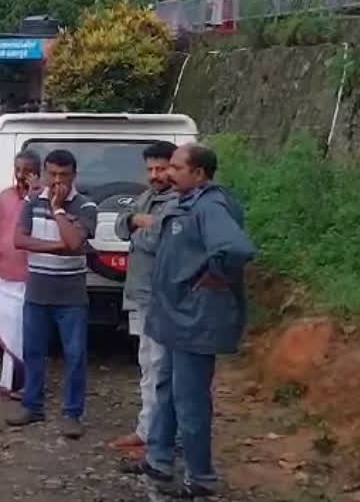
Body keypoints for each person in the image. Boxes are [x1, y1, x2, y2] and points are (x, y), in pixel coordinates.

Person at [126, 144, 256, 498]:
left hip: (195, 321)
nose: (167, 173)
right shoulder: (184, 203)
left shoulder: (212, 205)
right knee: (165, 390)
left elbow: (235, 249)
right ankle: (159, 460)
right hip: (172, 317)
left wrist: (214, 278)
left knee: (190, 400)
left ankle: (200, 479)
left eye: (176, 168)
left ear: (198, 174)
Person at [6, 149, 98, 440]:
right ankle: (33, 405)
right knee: (33, 351)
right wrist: (58, 247)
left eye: (64, 175)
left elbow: (74, 240)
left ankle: (73, 414)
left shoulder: (86, 206)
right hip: (38, 290)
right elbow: (19, 240)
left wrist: (58, 210)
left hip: (71, 295)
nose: (57, 181)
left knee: (75, 355)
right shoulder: (32, 201)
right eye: (53, 174)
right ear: (45, 173)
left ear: (74, 176)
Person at [108, 141, 178, 460]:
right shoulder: (148, 197)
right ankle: (146, 430)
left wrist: (135, 224)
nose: (155, 175)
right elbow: (121, 226)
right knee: (147, 364)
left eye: (161, 168)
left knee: (161, 368)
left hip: (162, 298)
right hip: (140, 294)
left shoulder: (177, 202)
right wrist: (136, 221)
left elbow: (157, 241)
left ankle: (162, 437)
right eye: (150, 169)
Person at [0, 150, 41, 399]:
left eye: (26, 171)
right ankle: (8, 381)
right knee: (7, 326)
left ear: (37, 173)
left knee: (22, 330)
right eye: (17, 170)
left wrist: (35, 195)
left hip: (29, 275)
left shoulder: (42, 199)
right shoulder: (5, 196)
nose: (20, 175)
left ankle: (25, 383)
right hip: (4, 270)